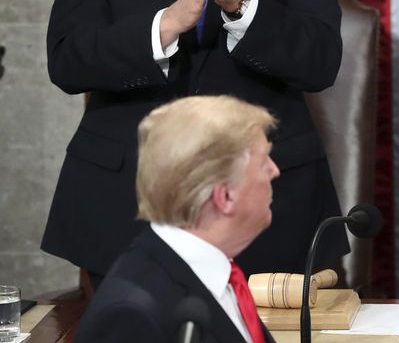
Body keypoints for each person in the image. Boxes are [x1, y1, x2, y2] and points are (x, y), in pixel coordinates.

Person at [43, 0, 348, 287]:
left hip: (268, 208)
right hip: (123, 205)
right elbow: (68, 60)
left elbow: (320, 62)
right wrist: (169, 22)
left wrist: (244, 6)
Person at [76, 95, 279, 343]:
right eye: (262, 162)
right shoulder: (131, 315)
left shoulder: (218, 275)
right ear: (225, 196)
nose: (274, 170)